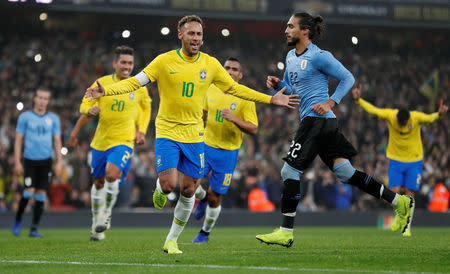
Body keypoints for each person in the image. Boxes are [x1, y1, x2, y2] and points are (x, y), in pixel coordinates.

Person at [85, 15, 299, 254]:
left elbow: (236, 88)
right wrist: (107, 91)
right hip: (167, 131)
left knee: (188, 190)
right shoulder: (164, 61)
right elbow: (136, 82)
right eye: (191, 33)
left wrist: (271, 99)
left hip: (195, 136)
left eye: (199, 34)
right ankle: (160, 188)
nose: (196, 38)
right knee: (169, 186)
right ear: (181, 35)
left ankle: (171, 240)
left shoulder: (210, 64)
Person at [255, 12, 414, 247]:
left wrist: (331, 101)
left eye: (291, 26)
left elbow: (347, 78)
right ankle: (398, 202)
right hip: (320, 122)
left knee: (289, 172)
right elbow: (293, 91)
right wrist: (280, 85)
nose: (286, 30)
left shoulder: (320, 56)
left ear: (305, 31)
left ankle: (286, 231)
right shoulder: (290, 56)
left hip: (316, 120)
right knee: (346, 173)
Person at [72, 46, 151, 241]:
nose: (127, 66)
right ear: (115, 64)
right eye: (123, 62)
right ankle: (96, 224)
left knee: (111, 174)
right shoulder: (102, 84)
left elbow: (146, 108)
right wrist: (88, 111)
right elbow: (85, 104)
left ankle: (106, 213)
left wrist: (141, 131)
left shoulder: (138, 86)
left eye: (130, 63)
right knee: (98, 183)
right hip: (101, 141)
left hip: (124, 141)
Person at [352, 84, 447, 236]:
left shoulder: (416, 117)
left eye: (404, 124)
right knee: (394, 192)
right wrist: (358, 100)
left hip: (414, 161)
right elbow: (374, 110)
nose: (402, 126)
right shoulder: (391, 115)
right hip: (396, 160)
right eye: (400, 124)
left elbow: (430, 118)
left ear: (409, 119)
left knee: (409, 193)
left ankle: (406, 227)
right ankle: (399, 215)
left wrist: (439, 114)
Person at [192, 57, 259, 243]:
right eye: (227, 68)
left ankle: (205, 232)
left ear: (240, 74)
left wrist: (234, 119)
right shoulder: (210, 88)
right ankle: (202, 197)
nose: (230, 71)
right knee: (190, 183)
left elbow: (253, 128)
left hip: (228, 153)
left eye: (234, 69)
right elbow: (204, 113)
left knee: (216, 197)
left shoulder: (245, 96)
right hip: (205, 146)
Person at [12, 88, 62, 237]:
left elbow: (57, 141)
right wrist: (17, 162)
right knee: (28, 191)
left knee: (41, 194)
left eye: (45, 98)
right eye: (40, 97)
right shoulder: (25, 117)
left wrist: (59, 162)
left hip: (46, 161)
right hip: (29, 160)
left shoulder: (53, 118)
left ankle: (33, 228)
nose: (42, 101)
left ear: (48, 101)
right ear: (34, 99)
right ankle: (18, 221)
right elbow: (18, 141)